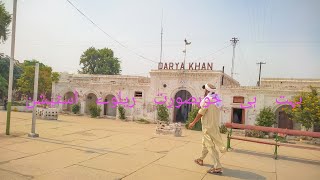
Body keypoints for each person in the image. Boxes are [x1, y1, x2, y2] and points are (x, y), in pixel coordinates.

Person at [188, 83, 226, 174]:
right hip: (214, 126)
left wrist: (193, 122)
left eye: (205, 89)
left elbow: (201, 113)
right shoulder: (217, 99)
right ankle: (201, 159)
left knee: (210, 146)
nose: (204, 91)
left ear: (207, 91)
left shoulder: (207, 100)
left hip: (207, 127)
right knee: (205, 143)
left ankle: (217, 166)